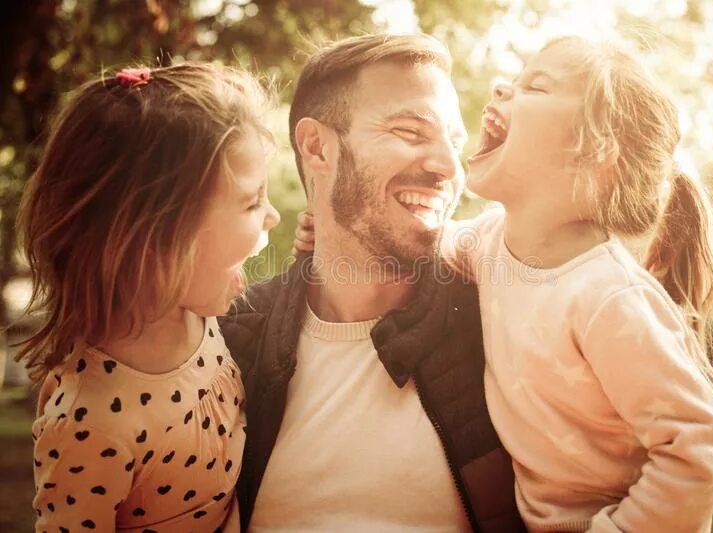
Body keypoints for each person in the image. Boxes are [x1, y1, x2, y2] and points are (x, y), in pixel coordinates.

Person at [295, 35, 713, 532]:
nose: (503, 89)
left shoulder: (609, 297)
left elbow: (699, 449)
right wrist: (327, 231)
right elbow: (415, 241)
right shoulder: (489, 246)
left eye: (537, 86)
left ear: (593, 149)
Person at [219, 34, 524, 532]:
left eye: (454, 142)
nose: (448, 167)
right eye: (410, 132)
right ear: (318, 148)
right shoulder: (225, 344)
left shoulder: (500, 323)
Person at [17, 63, 280, 531]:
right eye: (251, 201)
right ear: (158, 233)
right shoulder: (91, 420)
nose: (274, 215)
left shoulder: (199, 320)